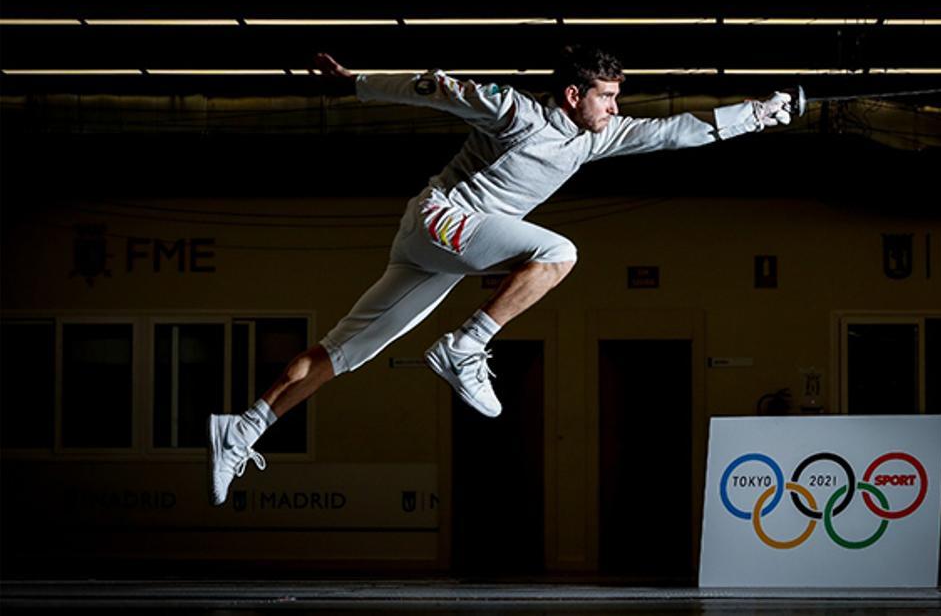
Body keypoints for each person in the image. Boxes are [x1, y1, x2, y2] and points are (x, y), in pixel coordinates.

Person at [207, 45, 795, 505]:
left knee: (343, 351)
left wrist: (762, 114)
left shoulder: (594, 139)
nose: (615, 107)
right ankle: (467, 345)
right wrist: (354, 83)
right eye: (608, 96)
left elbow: (674, 131)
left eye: (617, 97)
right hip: (444, 221)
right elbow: (435, 88)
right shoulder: (515, 111)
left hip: (435, 252)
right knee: (560, 253)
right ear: (573, 93)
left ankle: (243, 428)